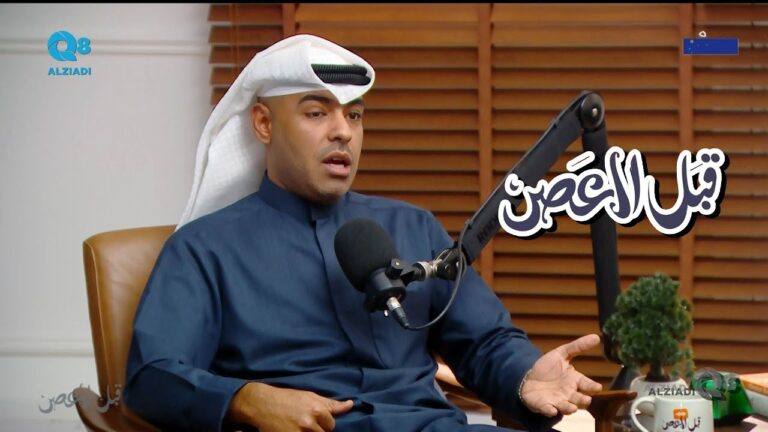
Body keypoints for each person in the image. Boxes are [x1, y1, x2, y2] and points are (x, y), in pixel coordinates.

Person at [123, 34, 603, 432]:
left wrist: (524, 376)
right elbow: (153, 376)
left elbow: (484, 342)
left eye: (354, 115)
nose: (344, 133)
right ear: (264, 124)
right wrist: (245, 399)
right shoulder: (205, 248)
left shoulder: (413, 226)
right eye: (317, 113)